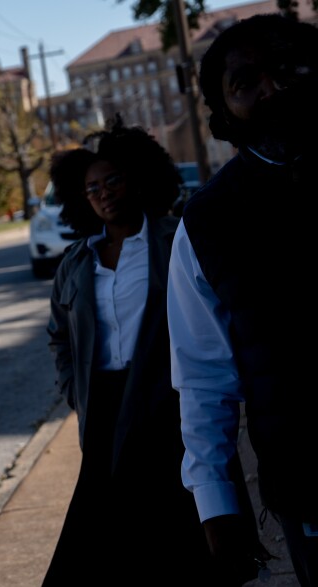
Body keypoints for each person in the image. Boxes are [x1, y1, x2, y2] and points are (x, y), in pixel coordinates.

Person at [42, 117, 244, 585]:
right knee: (101, 539)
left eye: (113, 179)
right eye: (92, 187)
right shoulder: (76, 262)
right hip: (103, 412)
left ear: (137, 177)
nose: (104, 192)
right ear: (81, 198)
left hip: (162, 401)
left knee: (173, 532)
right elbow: (58, 335)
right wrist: (76, 390)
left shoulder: (173, 239)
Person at [167, 13, 318, 586]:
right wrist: (216, 502)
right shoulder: (206, 223)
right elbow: (204, 377)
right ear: (224, 110)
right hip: (309, 488)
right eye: (245, 81)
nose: (272, 88)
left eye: (288, 68)